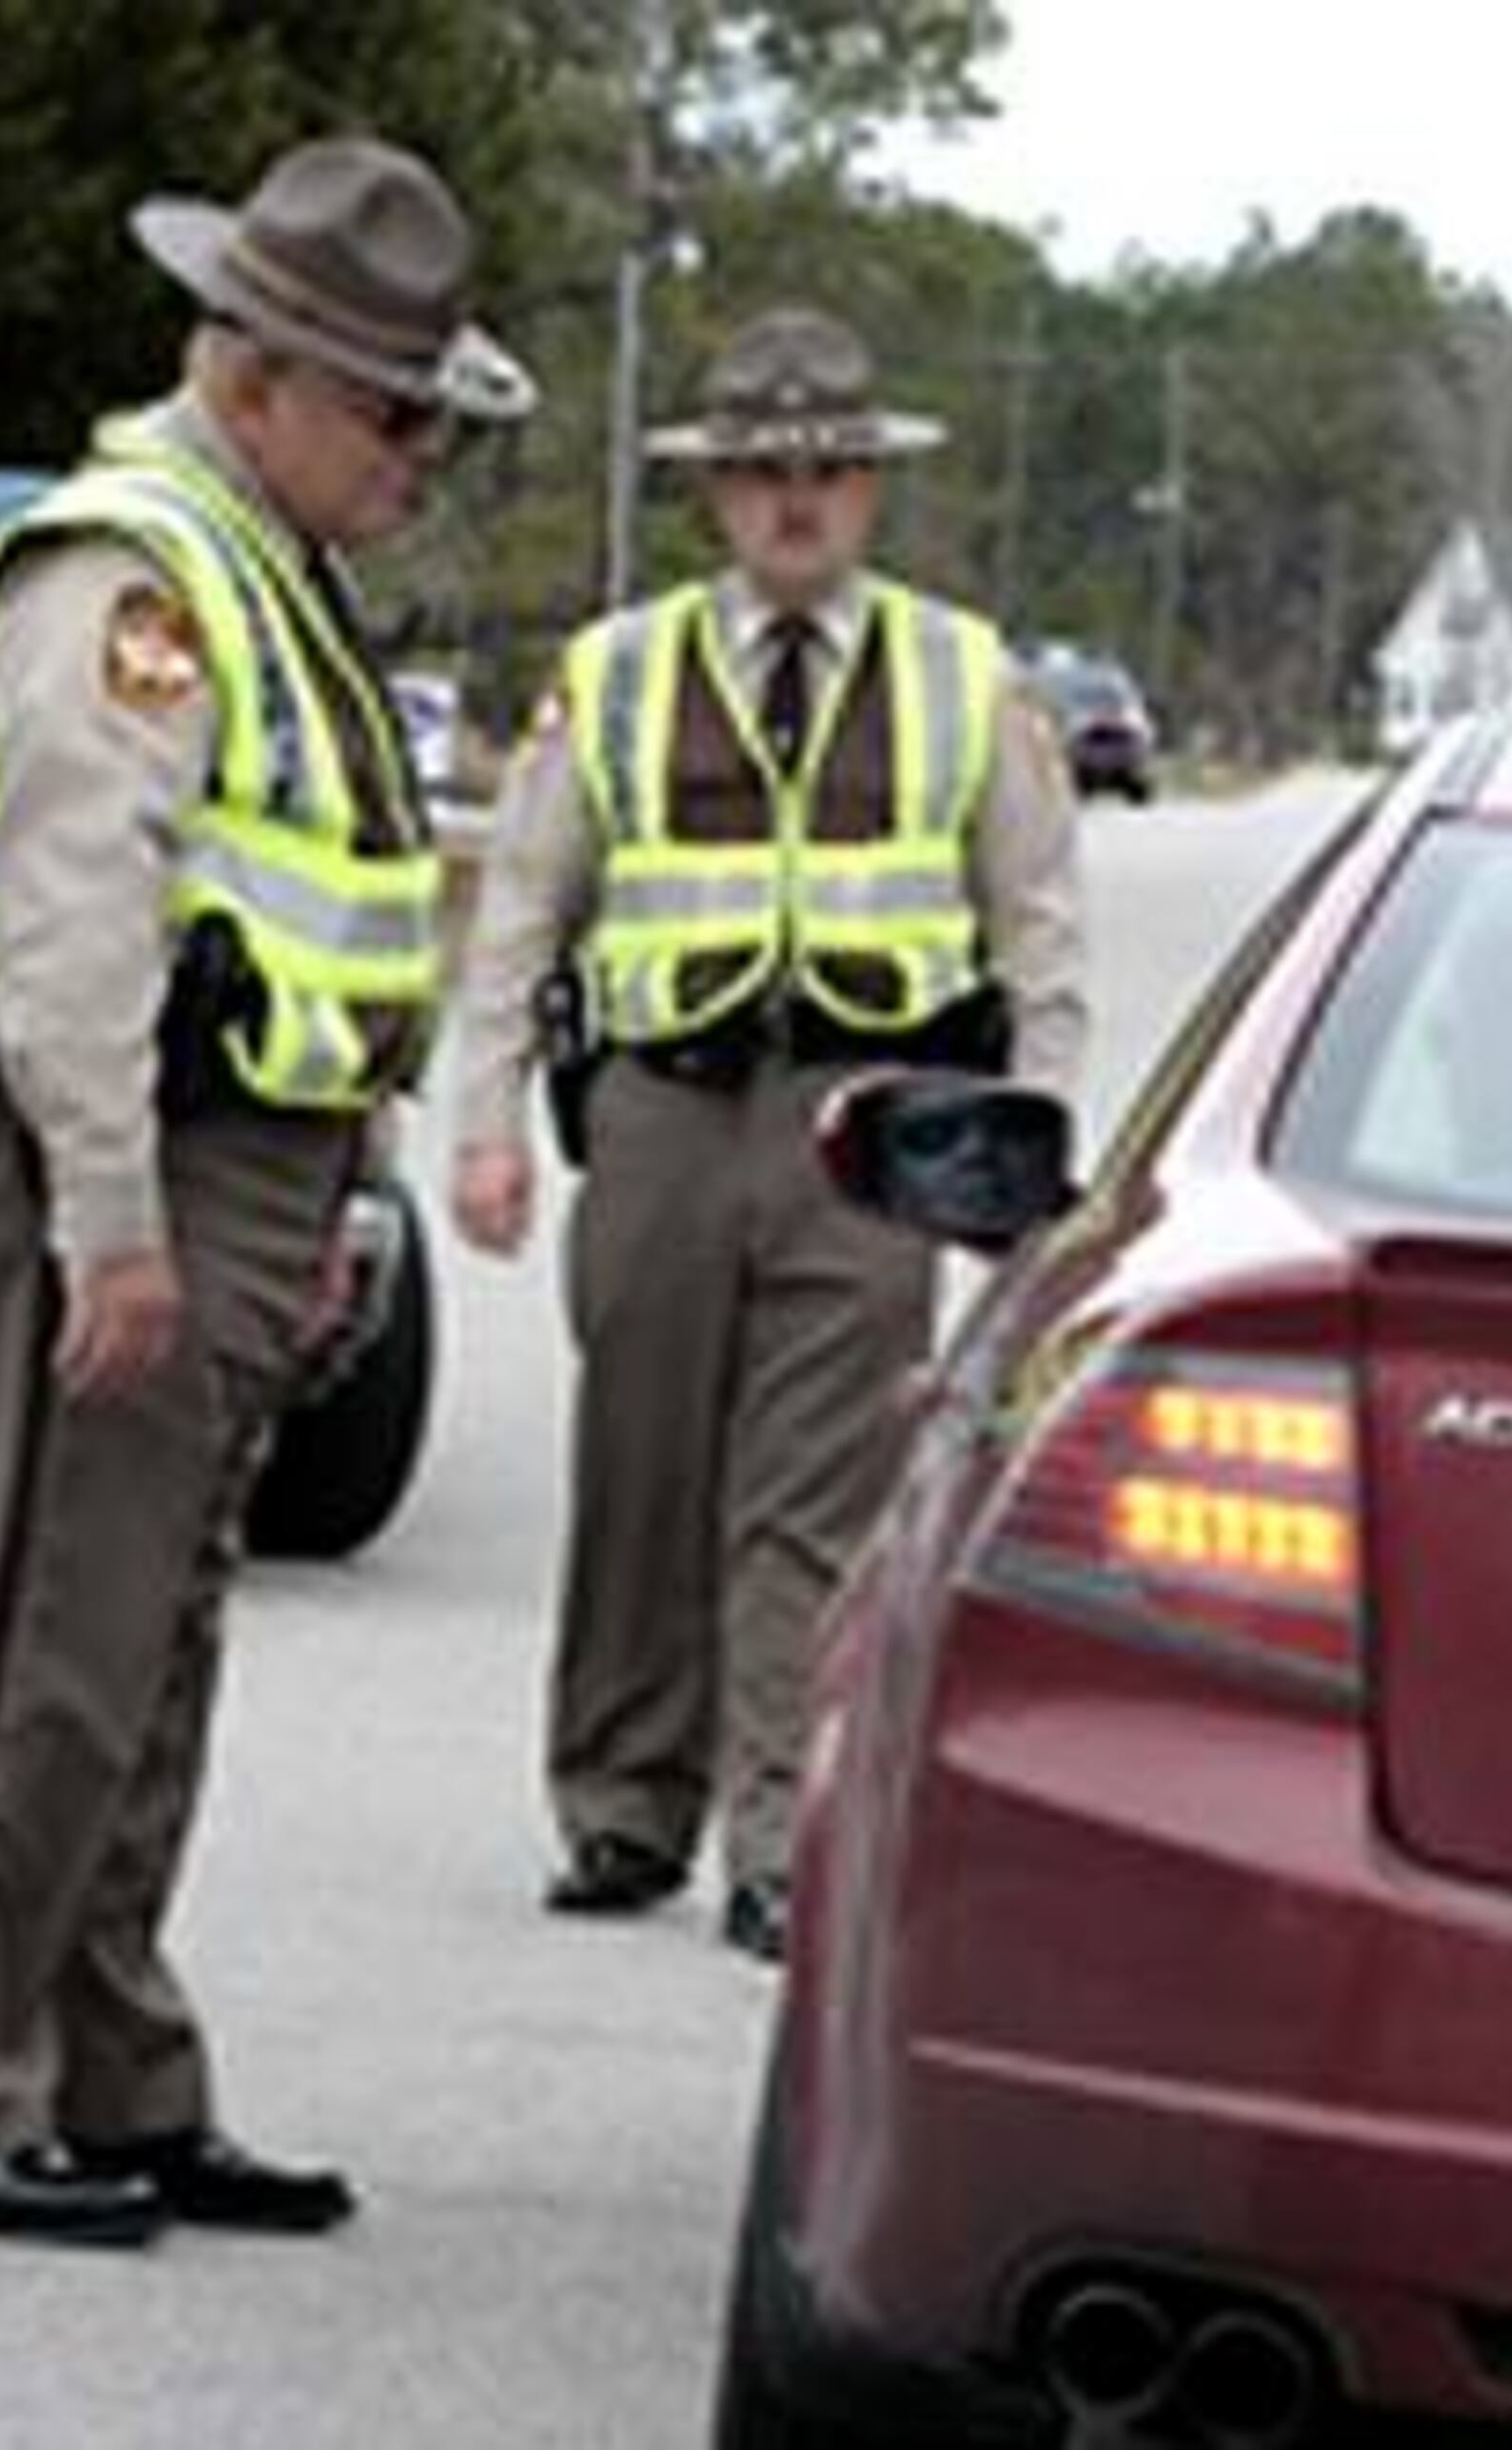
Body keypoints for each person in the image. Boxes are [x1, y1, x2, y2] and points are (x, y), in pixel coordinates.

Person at [0, 135, 534, 2246]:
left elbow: (325, 916)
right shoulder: (129, 571)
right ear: (254, 375)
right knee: (45, 1642)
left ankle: (108, 2074)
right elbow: (77, 912)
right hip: (103, 1153)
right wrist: (111, 1220)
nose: (419, 457)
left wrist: (330, 1199)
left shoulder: (268, 569)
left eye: (435, 419)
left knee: (143, 1649)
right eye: (393, 414)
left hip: (245, 1166)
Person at [446, 304, 1086, 1964]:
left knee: (817, 1492)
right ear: (714, 493)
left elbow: (1040, 929)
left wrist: (1032, 1158)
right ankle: (620, 1805)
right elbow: (521, 904)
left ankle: (780, 1834)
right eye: (762, 473)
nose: (796, 500)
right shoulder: (617, 669)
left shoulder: (966, 674)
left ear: (872, 488)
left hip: (868, 1130)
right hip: (662, 1110)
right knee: (640, 1473)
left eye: (828, 471)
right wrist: (487, 1119)